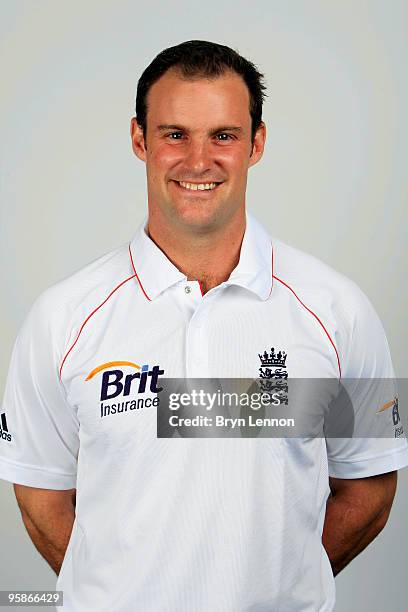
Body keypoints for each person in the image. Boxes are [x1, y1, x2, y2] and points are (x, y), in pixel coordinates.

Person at [0, 39, 407, 612]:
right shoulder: (61, 317)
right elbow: (40, 493)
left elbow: (371, 486)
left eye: (223, 135)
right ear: (140, 139)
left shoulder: (341, 310)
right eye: (174, 134)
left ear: (256, 144)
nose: (198, 161)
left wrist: (278, 590)